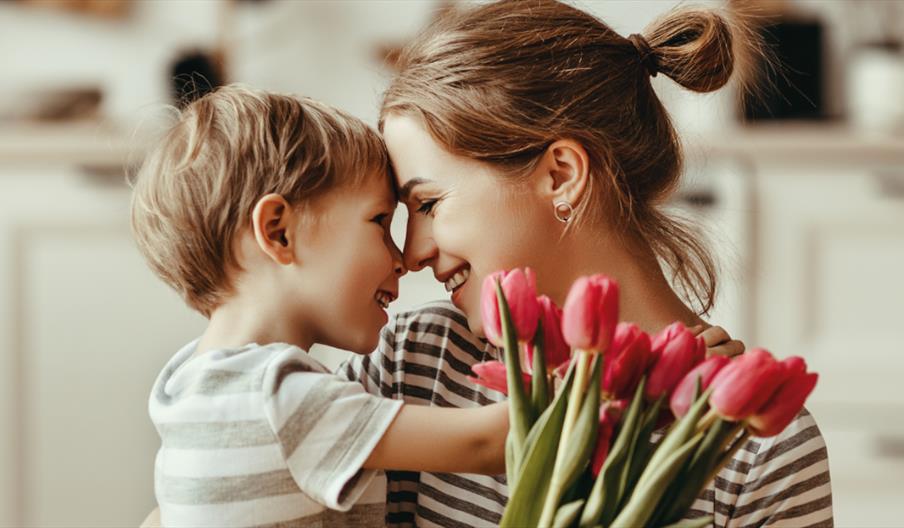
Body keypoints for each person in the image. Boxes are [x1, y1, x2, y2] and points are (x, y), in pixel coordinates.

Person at [341, 1, 833, 526]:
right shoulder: (416, 363)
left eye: (429, 204)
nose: (412, 253)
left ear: (560, 175)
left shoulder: (758, 448)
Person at [131, 85, 507, 527]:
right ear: (278, 232)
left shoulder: (184, 385)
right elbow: (483, 445)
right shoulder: (280, 399)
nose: (401, 259)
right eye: (380, 221)